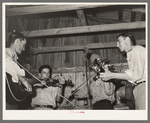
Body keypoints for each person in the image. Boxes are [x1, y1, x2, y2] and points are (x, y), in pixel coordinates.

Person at [100, 32, 146, 110]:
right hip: (138, 89)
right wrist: (111, 74)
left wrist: (112, 75)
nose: (117, 45)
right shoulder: (131, 54)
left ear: (127, 39)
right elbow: (132, 76)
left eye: (119, 41)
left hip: (144, 88)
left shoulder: (136, 49)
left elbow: (137, 75)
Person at [5, 30, 39, 110]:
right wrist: (24, 81)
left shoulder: (14, 58)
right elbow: (8, 65)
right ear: (17, 41)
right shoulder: (4, 54)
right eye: (23, 45)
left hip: (10, 100)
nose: (23, 49)